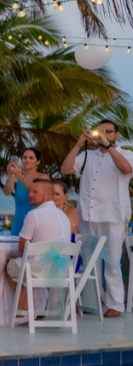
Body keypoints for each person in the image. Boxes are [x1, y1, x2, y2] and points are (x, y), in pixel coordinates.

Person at [61, 119, 133, 318]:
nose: (103, 134)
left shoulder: (125, 154)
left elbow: (127, 170)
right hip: (88, 215)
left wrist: (109, 146)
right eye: (99, 131)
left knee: (112, 261)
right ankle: (93, 301)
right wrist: (78, 144)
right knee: (89, 262)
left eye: (108, 131)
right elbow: (65, 169)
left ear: (116, 135)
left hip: (113, 215)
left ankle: (115, 304)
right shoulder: (86, 155)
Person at [5, 179, 72, 313]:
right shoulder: (63, 216)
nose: (30, 195)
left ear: (48, 195)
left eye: (35, 192)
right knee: (27, 262)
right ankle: (39, 306)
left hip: (37, 272)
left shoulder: (34, 215)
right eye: (30, 192)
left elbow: (22, 249)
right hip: (61, 271)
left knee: (9, 265)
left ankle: (23, 307)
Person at [3, 147, 49, 235]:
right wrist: (9, 176)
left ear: (38, 162)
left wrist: (20, 176)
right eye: (24, 157)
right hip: (18, 221)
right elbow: (7, 192)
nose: (27, 160)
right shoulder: (16, 178)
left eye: (31, 158)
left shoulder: (43, 177)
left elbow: (34, 190)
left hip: (37, 222)